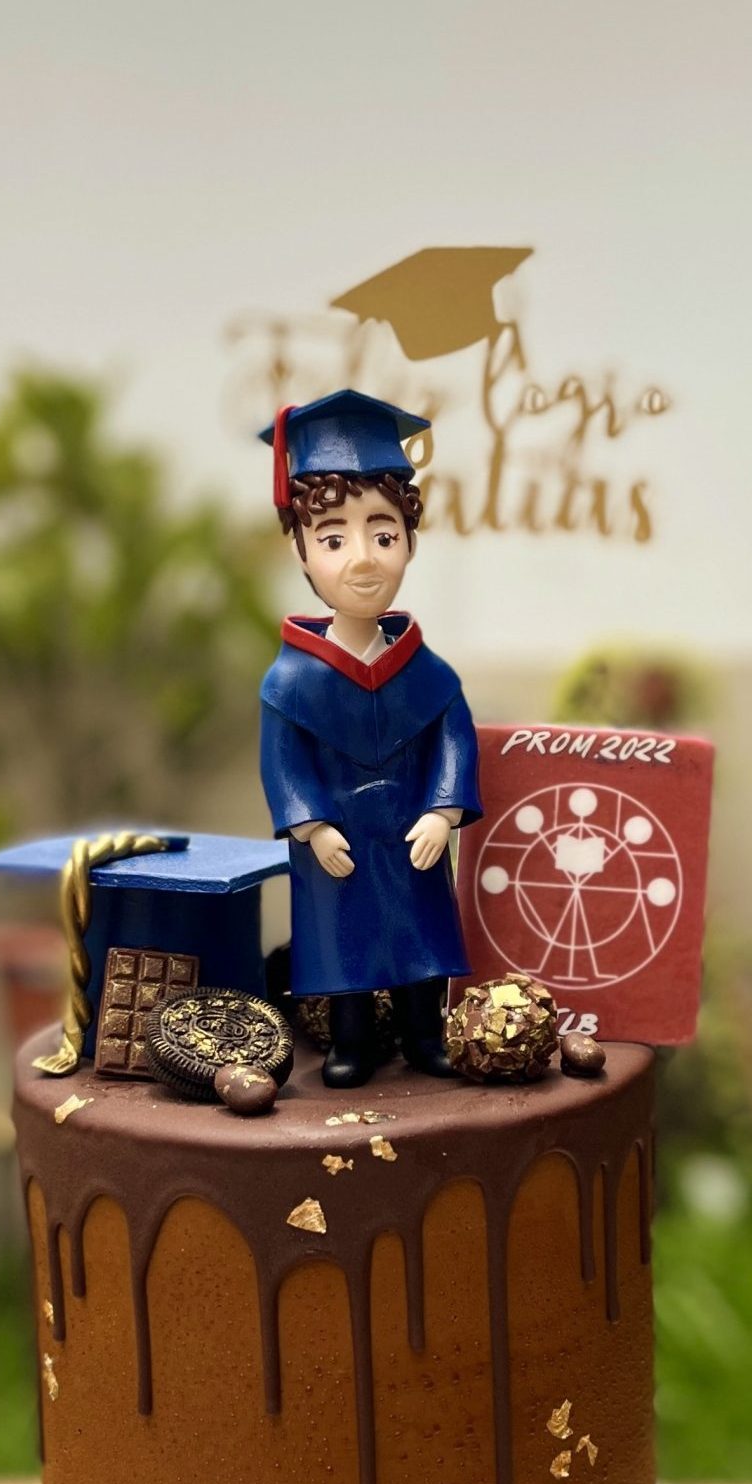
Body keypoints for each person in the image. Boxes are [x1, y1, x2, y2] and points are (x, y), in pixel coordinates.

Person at [258, 390, 482, 1088]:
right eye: (333, 539)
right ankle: (350, 1042)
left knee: (418, 935)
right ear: (300, 549)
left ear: (409, 541)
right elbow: (283, 765)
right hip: (340, 841)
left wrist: (443, 812)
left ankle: (424, 1034)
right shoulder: (290, 681)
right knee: (344, 943)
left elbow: (454, 742)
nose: (363, 560)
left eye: (383, 535)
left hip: (411, 830)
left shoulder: (427, 672)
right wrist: (312, 826)